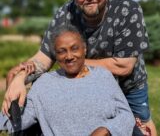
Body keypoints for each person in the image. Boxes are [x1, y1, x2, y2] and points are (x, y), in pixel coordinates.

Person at [2, 0, 157, 135]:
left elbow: (124, 66)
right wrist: (20, 77)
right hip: (88, 85)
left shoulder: (128, 9)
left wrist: (70, 61)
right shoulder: (64, 14)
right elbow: (44, 57)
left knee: (141, 126)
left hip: (129, 84)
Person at [0, 24, 135, 136]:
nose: (69, 56)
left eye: (74, 48)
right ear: (56, 56)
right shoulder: (44, 84)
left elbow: (126, 115)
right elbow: (14, 124)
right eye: (61, 51)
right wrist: (13, 84)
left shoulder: (103, 77)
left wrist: (106, 130)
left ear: (84, 49)